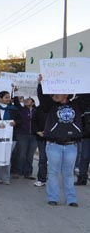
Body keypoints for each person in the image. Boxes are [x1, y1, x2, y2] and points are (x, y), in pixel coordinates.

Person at [38, 75, 83, 207]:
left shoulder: (76, 104)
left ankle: (71, 199)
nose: (56, 94)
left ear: (67, 93)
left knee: (69, 173)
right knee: (53, 172)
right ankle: (53, 197)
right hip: (54, 145)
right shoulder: (50, 105)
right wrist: (41, 85)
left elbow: (86, 97)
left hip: (71, 145)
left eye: (59, 92)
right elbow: (43, 98)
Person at [13, 97, 38, 180]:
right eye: (25, 99)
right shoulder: (21, 110)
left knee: (30, 155)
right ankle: (17, 171)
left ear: (33, 102)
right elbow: (16, 102)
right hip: (22, 134)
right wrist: (15, 93)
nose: (26, 100)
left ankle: (28, 172)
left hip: (34, 135)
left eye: (29, 99)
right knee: (21, 154)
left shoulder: (37, 111)